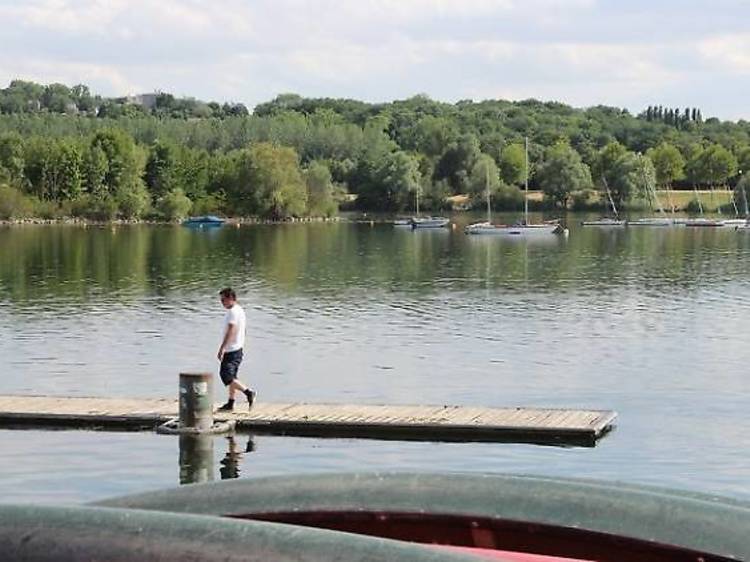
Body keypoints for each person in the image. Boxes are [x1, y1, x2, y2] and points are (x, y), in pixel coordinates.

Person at [217, 288, 256, 411]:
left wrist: (223, 348)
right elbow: (243, 330)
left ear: (230, 298)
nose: (222, 302)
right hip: (237, 348)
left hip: (231, 350)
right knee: (233, 377)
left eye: (223, 300)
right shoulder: (239, 310)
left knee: (226, 376)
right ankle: (231, 402)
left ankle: (249, 393)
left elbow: (231, 329)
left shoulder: (233, 312)